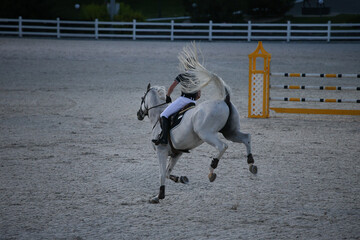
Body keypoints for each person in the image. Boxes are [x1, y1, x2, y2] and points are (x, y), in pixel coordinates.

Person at [152, 73, 201, 145]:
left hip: (183, 100)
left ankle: (164, 138)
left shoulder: (183, 75)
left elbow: (172, 87)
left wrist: (168, 96)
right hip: (193, 102)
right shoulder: (197, 77)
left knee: (163, 115)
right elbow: (199, 95)